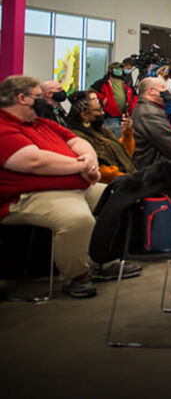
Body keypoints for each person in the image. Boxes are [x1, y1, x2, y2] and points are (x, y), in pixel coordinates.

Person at [0, 75, 140, 298]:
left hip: (77, 185)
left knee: (116, 197)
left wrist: (89, 159)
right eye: (38, 97)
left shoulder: (42, 123)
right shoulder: (4, 128)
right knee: (77, 219)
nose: (44, 101)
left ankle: (103, 260)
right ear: (21, 99)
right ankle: (77, 275)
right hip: (30, 195)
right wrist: (80, 166)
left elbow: (77, 142)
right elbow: (35, 162)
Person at [66, 89, 138, 182]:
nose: (102, 113)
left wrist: (127, 133)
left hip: (128, 177)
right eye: (98, 111)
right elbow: (99, 169)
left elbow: (125, 153)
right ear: (84, 115)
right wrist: (128, 178)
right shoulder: (78, 137)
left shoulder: (101, 131)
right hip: (115, 183)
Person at [131, 77, 171, 169]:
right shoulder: (150, 113)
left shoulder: (147, 108)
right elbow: (170, 143)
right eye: (163, 87)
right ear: (151, 91)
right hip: (154, 169)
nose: (168, 90)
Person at [91, 62, 136, 137]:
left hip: (123, 116)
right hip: (110, 116)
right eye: (117, 69)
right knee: (114, 136)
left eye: (120, 69)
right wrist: (104, 99)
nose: (119, 70)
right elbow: (91, 92)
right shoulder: (102, 83)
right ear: (110, 70)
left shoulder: (125, 83)